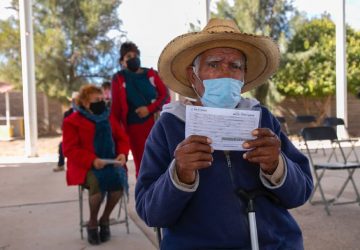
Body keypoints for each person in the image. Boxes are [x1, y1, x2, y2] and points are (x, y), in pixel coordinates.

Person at [135, 19, 313, 249]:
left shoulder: (262, 118)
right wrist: (179, 174)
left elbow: (300, 193)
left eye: (235, 66)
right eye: (214, 64)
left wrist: (276, 165)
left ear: (244, 76)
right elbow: (151, 213)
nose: (225, 74)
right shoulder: (169, 127)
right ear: (193, 75)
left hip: (276, 243)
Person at [62, 84, 130, 245]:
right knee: (97, 183)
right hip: (86, 166)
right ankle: (92, 222)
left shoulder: (109, 117)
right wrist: (92, 160)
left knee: (119, 183)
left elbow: (122, 138)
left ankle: (104, 219)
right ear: (85, 102)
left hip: (111, 162)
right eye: (96, 99)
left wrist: (122, 154)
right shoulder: (72, 121)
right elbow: (70, 149)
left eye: (102, 99)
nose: (101, 102)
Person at [111, 41, 170, 178]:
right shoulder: (119, 79)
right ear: (122, 62)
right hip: (133, 129)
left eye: (135, 55)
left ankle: (161, 196)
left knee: (162, 163)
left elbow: (165, 96)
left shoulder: (151, 74)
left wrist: (149, 109)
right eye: (128, 56)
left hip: (156, 125)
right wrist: (117, 135)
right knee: (142, 166)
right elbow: (115, 110)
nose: (133, 58)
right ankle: (144, 197)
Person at [53, 91, 78, 172]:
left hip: (83, 136)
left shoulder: (86, 112)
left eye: (77, 101)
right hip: (71, 136)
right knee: (62, 145)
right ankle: (61, 165)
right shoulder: (67, 113)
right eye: (74, 101)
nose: (75, 103)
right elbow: (64, 127)